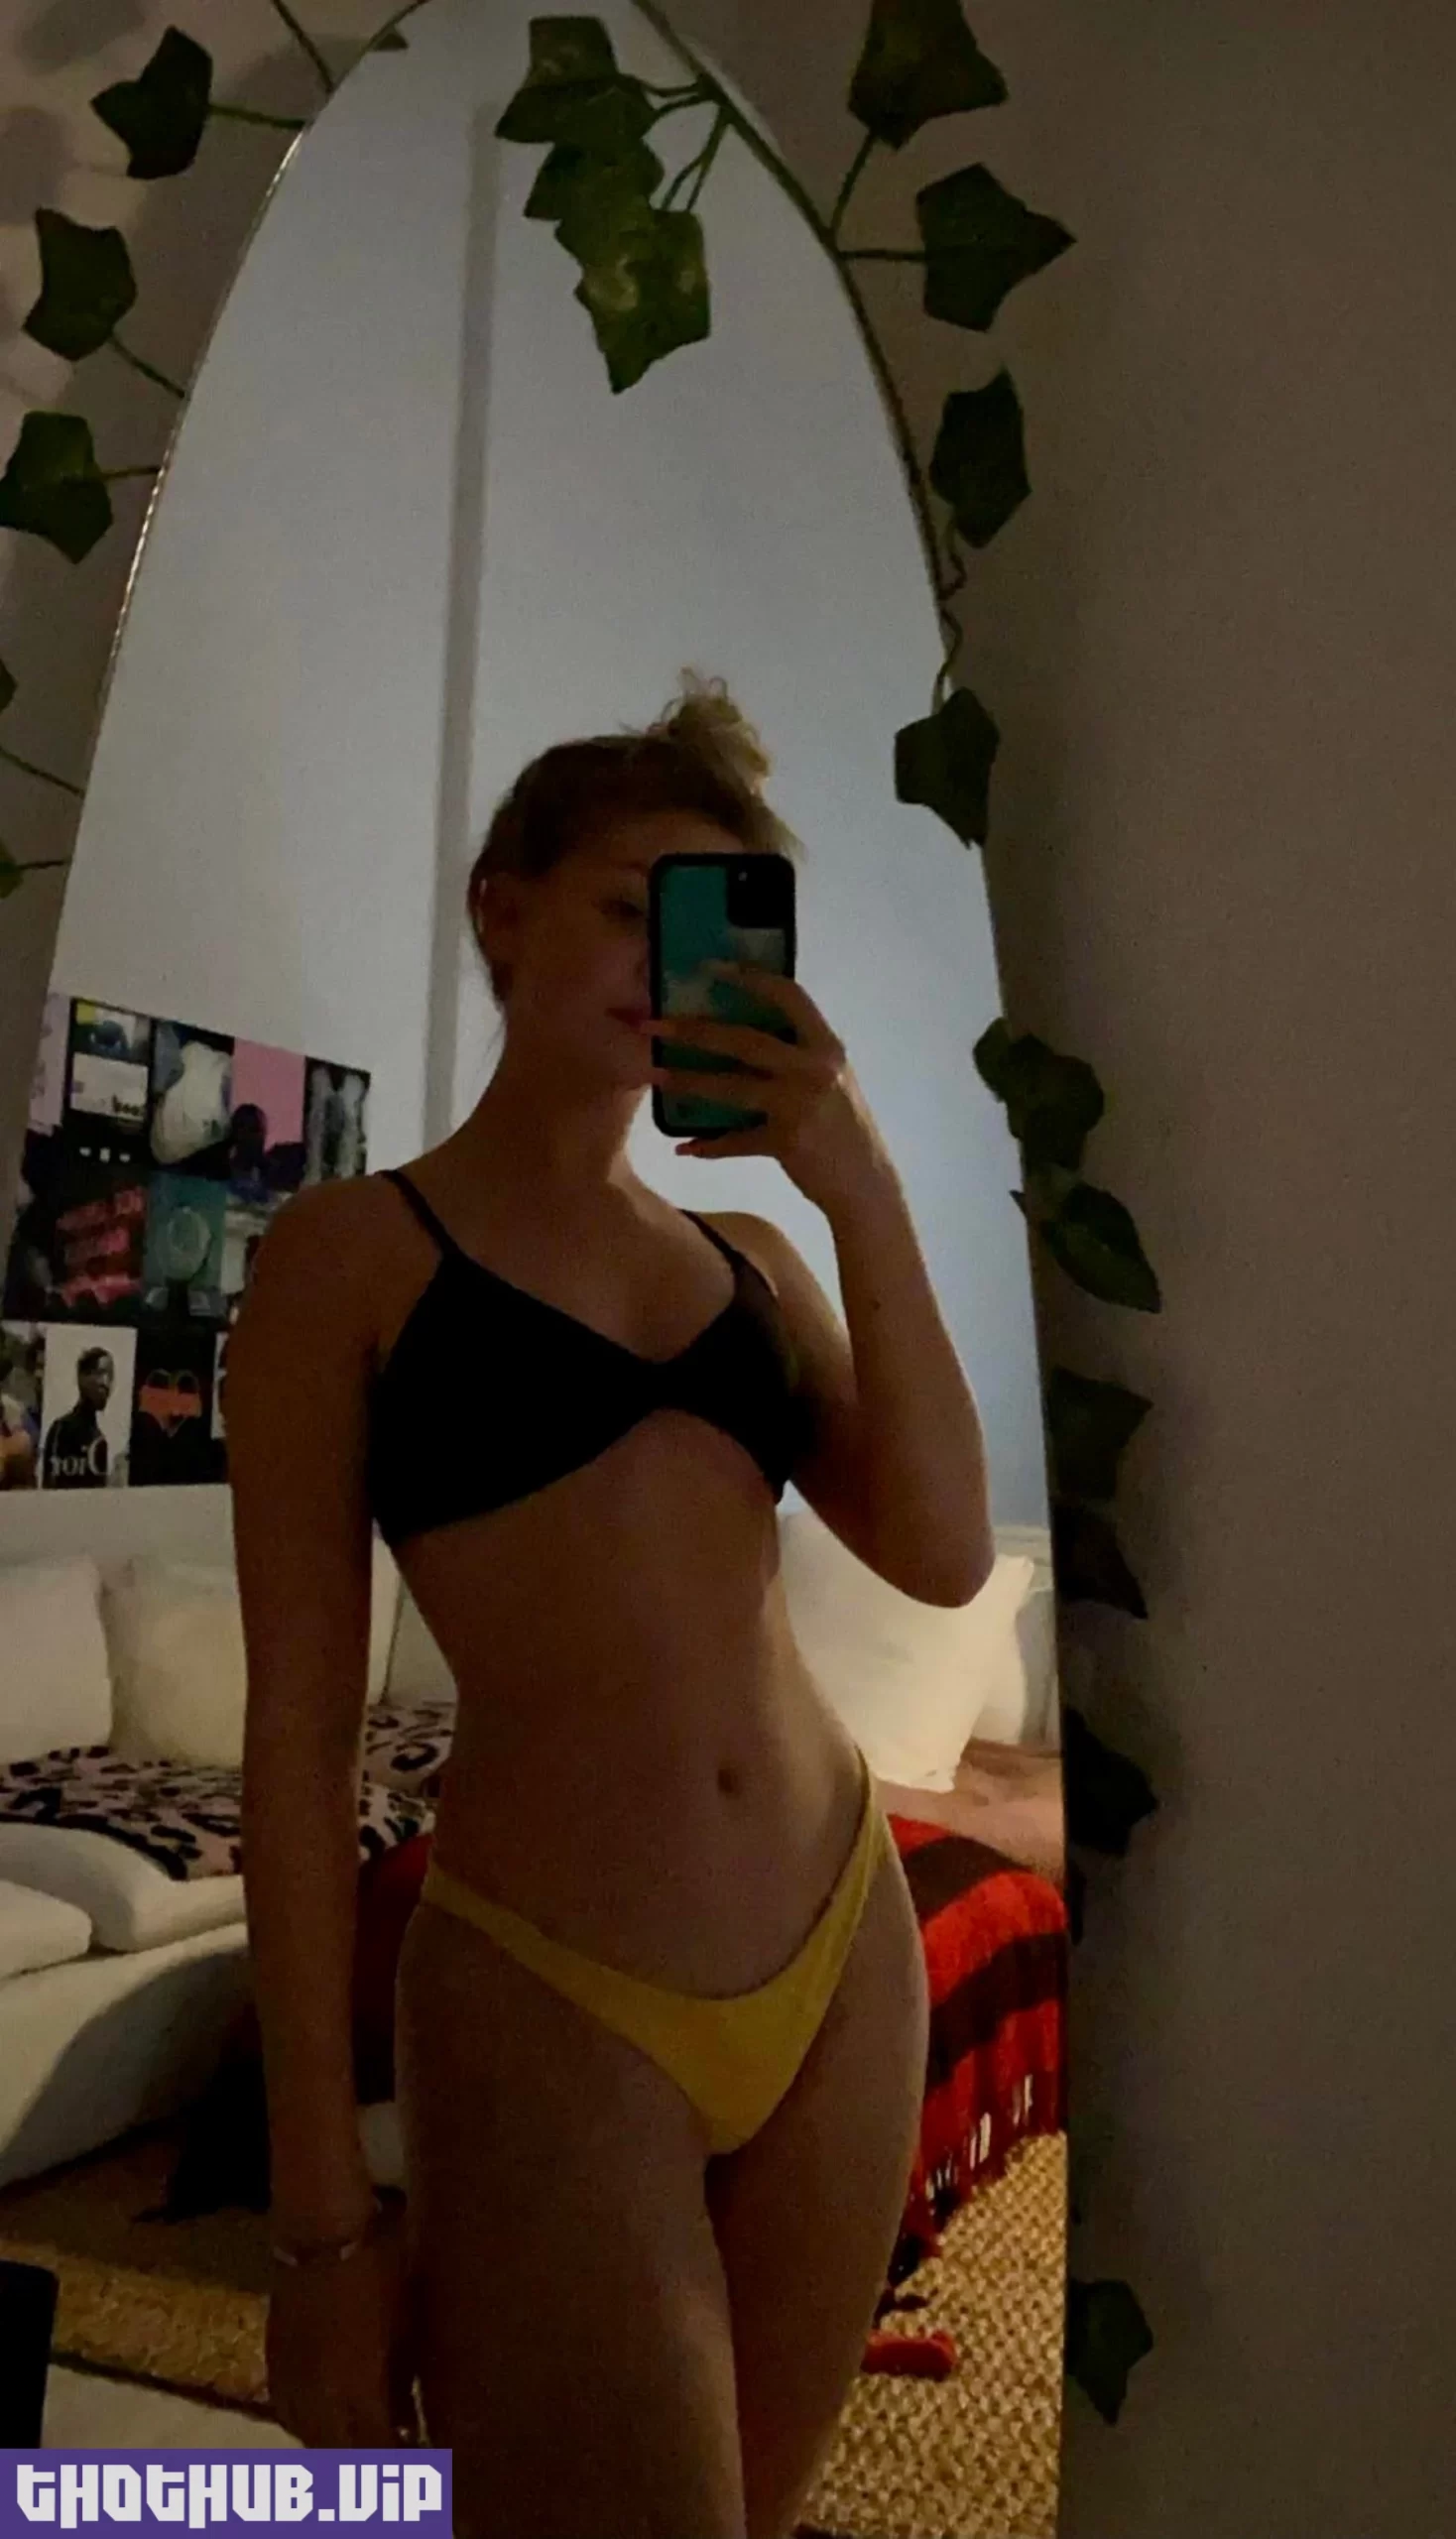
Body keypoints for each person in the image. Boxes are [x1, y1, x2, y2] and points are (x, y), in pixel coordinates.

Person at [224, 674, 994, 2539]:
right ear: (499, 910)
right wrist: (323, 2230)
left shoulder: (750, 1256)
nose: (667, 964)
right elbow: (297, 1747)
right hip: (553, 1990)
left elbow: (943, 1551)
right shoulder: (348, 1257)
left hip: (840, 1949)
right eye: (624, 907)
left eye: (707, 926)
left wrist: (857, 1182)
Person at [41, 1346, 116, 1488]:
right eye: (100, 1373)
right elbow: (51, 1485)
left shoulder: (98, 1438)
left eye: (110, 1376)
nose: (106, 1383)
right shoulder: (62, 1428)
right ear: (82, 1378)